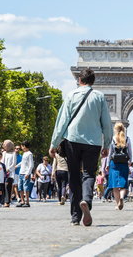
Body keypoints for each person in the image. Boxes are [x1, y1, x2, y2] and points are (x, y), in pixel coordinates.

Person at [49, 69, 113, 226]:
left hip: (73, 140)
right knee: (89, 174)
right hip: (93, 142)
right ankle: (86, 200)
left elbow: (61, 121)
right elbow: (107, 123)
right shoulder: (99, 97)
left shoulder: (71, 95)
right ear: (93, 81)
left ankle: (75, 216)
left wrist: (54, 143)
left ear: (79, 79)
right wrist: (107, 144)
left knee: (74, 177)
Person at [107, 122, 132, 210]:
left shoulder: (113, 139)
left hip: (114, 163)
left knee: (114, 185)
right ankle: (122, 197)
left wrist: (107, 164)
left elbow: (110, 153)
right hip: (124, 163)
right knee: (123, 182)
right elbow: (130, 153)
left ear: (115, 129)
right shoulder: (127, 139)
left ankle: (118, 203)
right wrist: (130, 163)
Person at [16, 141, 34, 208]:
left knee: (26, 188)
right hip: (21, 172)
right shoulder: (24, 153)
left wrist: (28, 173)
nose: (21, 147)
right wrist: (16, 166)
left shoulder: (29, 154)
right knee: (20, 188)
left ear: (25, 146)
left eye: (22, 146)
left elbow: (31, 165)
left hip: (26, 173)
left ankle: (27, 202)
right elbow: (22, 162)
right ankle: (22, 201)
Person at [1, 140, 16, 207]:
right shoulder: (4, 153)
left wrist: (8, 169)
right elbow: (2, 161)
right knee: (3, 186)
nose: (4, 146)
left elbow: (13, 163)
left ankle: (7, 201)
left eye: (5, 144)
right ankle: (3, 200)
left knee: (8, 187)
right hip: (3, 172)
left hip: (10, 173)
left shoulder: (13, 153)